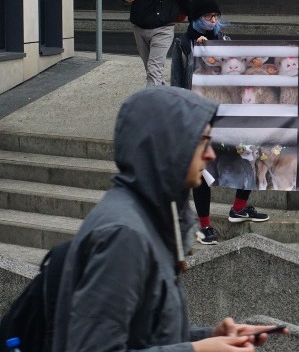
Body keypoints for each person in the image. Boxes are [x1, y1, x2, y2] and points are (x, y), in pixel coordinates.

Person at [51, 86, 279, 351]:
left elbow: (145, 333)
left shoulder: (147, 215)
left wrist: (208, 337)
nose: (211, 154)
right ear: (169, 145)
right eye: (202, 142)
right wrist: (198, 350)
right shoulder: (124, 235)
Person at [171, 0, 270, 245]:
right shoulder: (183, 45)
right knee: (201, 170)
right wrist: (200, 54)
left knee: (250, 152)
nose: (213, 21)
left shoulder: (224, 41)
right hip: (198, 117)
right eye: (208, 16)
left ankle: (240, 206)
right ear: (196, 17)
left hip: (228, 114)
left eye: (216, 16)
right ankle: (204, 226)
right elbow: (177, 83)